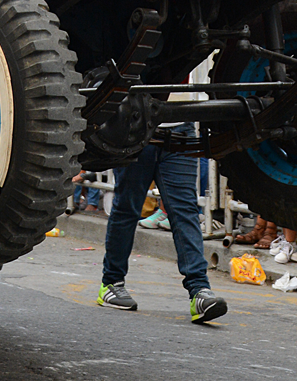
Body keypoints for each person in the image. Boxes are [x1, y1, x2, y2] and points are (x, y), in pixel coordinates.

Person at [97, 125, 228, 323]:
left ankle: (199, 291)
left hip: (180, 133)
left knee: (185, 211)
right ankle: (111, 282)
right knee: (127, 209)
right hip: (136, 127)